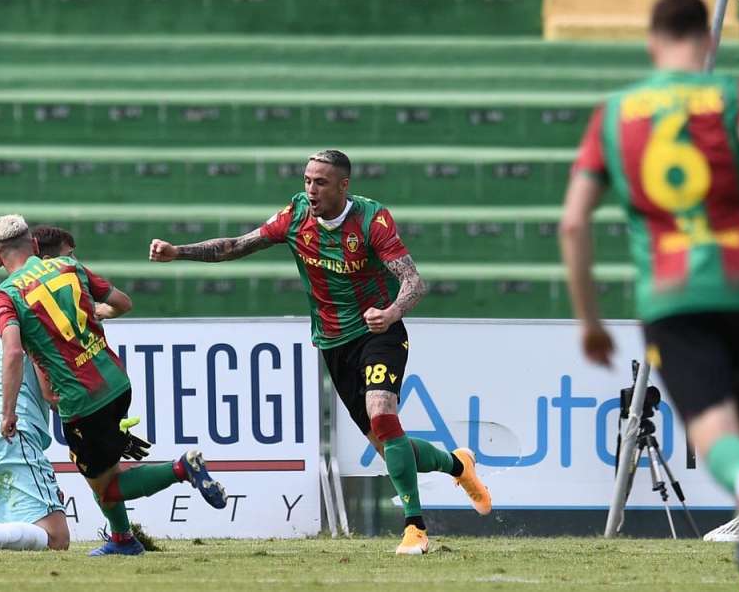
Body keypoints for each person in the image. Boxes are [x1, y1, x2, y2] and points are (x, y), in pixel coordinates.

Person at [560, 0, 739, 592]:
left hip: (672, 295)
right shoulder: (738, 94)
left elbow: (574, 222)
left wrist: (589, 320)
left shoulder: (615, 113)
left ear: (654, 41)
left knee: (711, 423)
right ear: (708, 40)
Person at [147, 149, 491, 556]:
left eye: (320, 182)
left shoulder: (371, 219)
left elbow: (413, 282)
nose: (311, 188)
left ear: (343, 185)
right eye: (307, 180)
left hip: (378, 330)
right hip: (333, 342)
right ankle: (457, 464)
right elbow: (239, 245)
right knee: (386, 441)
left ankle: (415, 527)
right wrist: (178, 252)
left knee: (383, 414)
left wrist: (392, 311)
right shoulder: (296, 216)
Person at [0, 215, 226, 557]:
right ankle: (122, 538)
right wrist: (91, 315)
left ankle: (182, 468)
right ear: (35, 245)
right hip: (115, 380)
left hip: (81, 399)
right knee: (105, 470)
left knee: (107, 488)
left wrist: (7, 413)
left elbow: (12, 351)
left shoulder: (4, 295)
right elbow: (122, 303)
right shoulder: (69, 267)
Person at [0, 226, 79, 551]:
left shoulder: (8, 302)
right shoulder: (36, 304)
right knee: (56, 537)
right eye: (69, 259)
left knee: (23, 537)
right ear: (36, 251)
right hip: (13, 429)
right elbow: (48, 390)